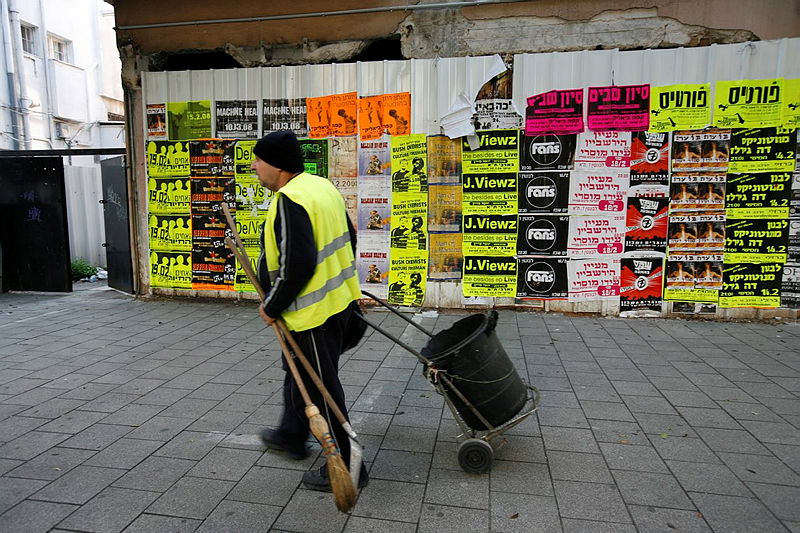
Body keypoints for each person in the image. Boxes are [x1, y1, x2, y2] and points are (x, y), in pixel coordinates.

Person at [250, 130, 367, 491]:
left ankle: (350, 466)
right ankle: (291, 434)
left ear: (277, 165)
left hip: (314, 314)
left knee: (320, 387)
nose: (254, 166)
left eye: (258, 160)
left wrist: (272, 305)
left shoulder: (291, 198)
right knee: (297, 370)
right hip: (340, 303)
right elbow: (349, 235)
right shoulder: (321, 186)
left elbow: (295, 265)